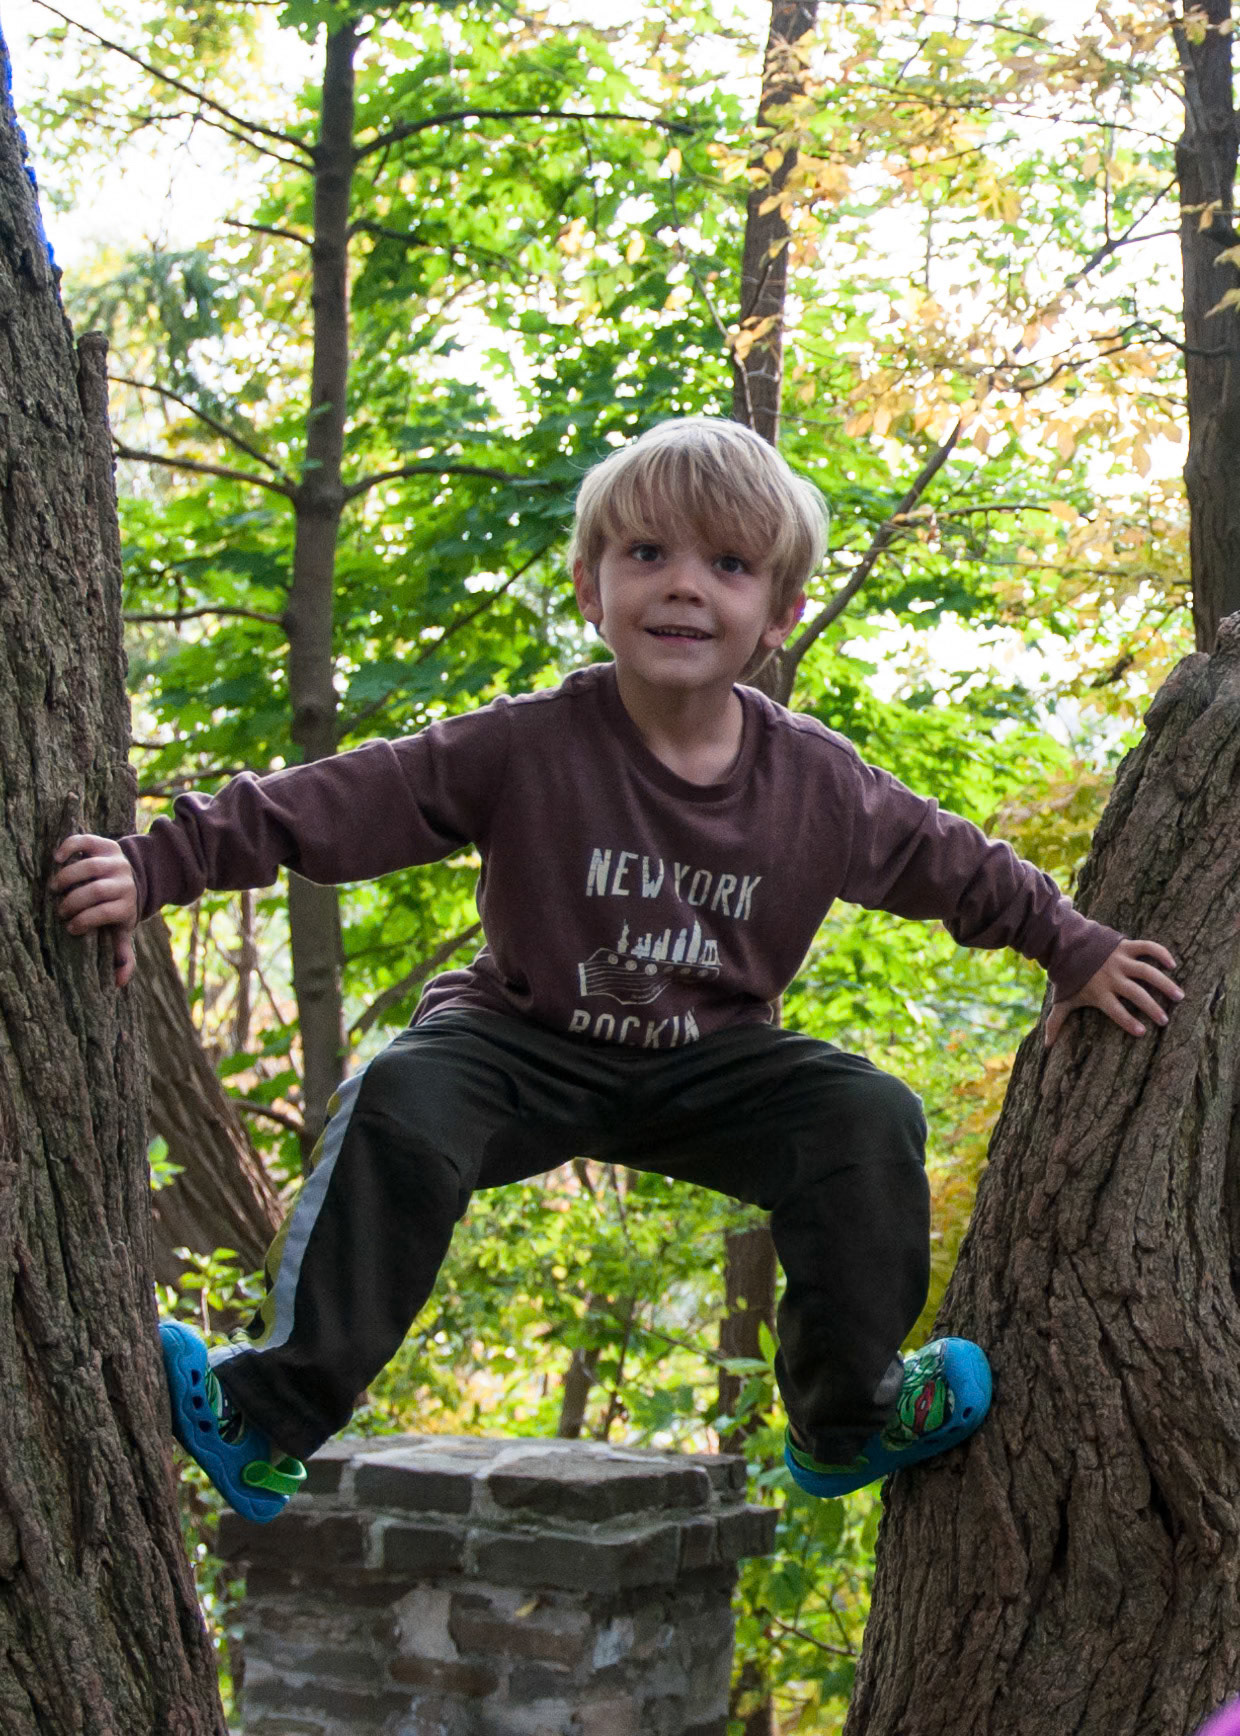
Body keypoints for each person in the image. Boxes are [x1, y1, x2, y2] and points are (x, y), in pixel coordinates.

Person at [50, 417, 1183, 1524]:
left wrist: (1073, 948)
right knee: (402, 1094)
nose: (683, 586)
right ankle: (267, 1412)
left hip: (716, 1061)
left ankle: (848, 1417)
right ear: (591, 588)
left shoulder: (818, 785)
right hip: (518, 1039)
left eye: (727, 564)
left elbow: (956, 863)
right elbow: (342, 801)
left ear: (777, 614)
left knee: (865, 1113)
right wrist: (158, 863)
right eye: (646, 553)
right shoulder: (529, 743)